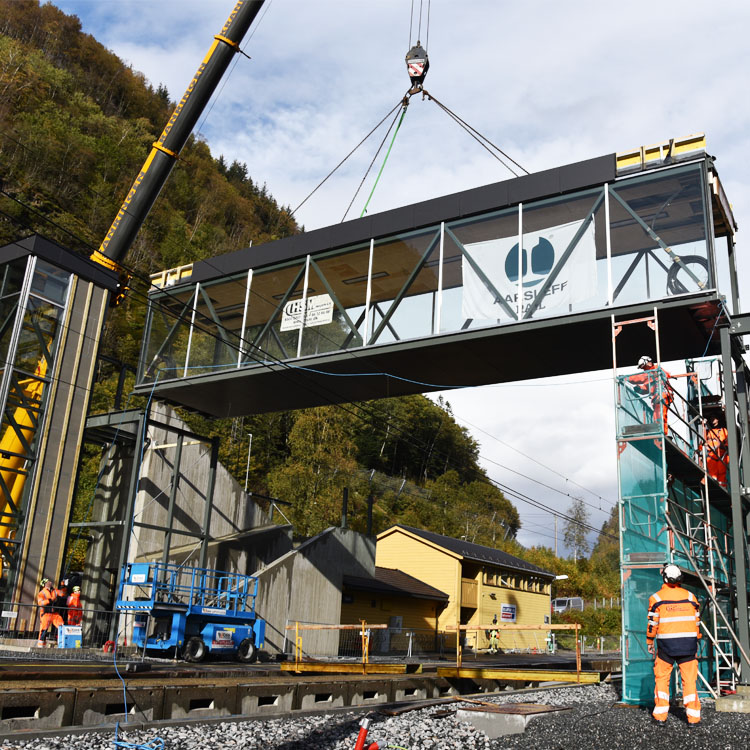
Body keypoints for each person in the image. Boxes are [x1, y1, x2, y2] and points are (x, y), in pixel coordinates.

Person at [646, 563, 701, 727]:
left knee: (662, 679)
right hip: (688, 646)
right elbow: (697, 622)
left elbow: (652, 623)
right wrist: (696, 639)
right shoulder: (691, 597)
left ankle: (661, 717)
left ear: (664, 578)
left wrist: (650, 641)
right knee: (690, 681)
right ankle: (693, 719)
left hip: (666, 648)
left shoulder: (656, 598)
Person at [630, 355, 673, 434]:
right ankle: (660, 431)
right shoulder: (652, 376)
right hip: (659, 396)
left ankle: (662, 432)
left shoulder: (655, 370)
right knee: (658, 414)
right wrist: (639, 389)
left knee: (660, 414)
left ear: (648, 363)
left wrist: (628, 378)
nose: (644, 370)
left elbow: (641, 378)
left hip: (663, 394)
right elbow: (648, 388)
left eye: (644, 367)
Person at [36, 578, 63, 647]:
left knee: (61, 626)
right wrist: (49, 601)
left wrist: (63, 586)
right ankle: (40, 645)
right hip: (46, 613)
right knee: (44, 629)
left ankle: (62, 642)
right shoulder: (41, 593)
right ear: (45, 584)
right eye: (48, 582)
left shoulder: (54, 591)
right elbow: (40, 603)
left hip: (54, 613)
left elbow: (62, 593)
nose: (50, 582)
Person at [705, 416, 728, 487]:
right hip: (711, 454)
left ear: (718, 419)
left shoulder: (724, 430)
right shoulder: (709, 432)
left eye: (714, 418)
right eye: (711, 419)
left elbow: (727, 443)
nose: (712, 420)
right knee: (712, 473)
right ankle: (713, 485)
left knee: (722, 472)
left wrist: (721, 446)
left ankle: (723, 487)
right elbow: (704, 441)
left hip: (721, 454)